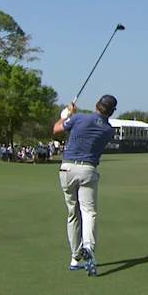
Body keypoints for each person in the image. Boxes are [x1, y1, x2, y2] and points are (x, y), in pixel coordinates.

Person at [52, 94, 117, 277]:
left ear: (97, 105)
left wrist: (66, 114)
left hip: (67, 169)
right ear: (111, 112)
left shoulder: (79, 118)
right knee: (88, 211)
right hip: (88, 170)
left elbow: (56, 129)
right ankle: (88, 247)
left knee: (73, 213)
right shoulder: (108, 130)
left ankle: (75, 258)